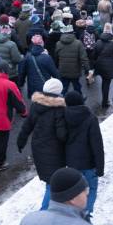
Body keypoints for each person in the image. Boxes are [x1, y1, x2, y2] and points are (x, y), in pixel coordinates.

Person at [16, 78, 67, 210]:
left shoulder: (36, 105)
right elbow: (62, 134)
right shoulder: (59, 108)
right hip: (54, 151)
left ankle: (54, 208)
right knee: (52, 183)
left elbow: (27, 126)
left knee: (51, 181)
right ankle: (44, 212)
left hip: (38, 148)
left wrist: (21, 141)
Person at [63, 91, 104, 215]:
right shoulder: (90, 118)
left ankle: (76, 213)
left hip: (72, 163)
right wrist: (100, 167)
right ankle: (86, 213)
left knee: (75, 192)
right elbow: (97, 145)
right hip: (89, 164)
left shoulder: (63, 118)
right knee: (91, 189)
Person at [91, 25, 113, 108]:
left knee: (103, 82)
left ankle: (105, 100)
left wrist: (93, 64)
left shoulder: (97, 42)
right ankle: (104, 102)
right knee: (106, 83)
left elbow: (93, 55)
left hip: (99, 65)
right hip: (109, 66)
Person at [54, 25, 89, 95]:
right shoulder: (78, 43)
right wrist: (87, 69)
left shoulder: (58, 43)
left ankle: (61, 100)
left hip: (63, 70)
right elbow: (83, 58)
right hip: (75, 71)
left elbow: (56, 57)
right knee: (77, 87)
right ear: (72, 32)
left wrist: (57, 67)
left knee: (64, 88)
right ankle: (79, 99)